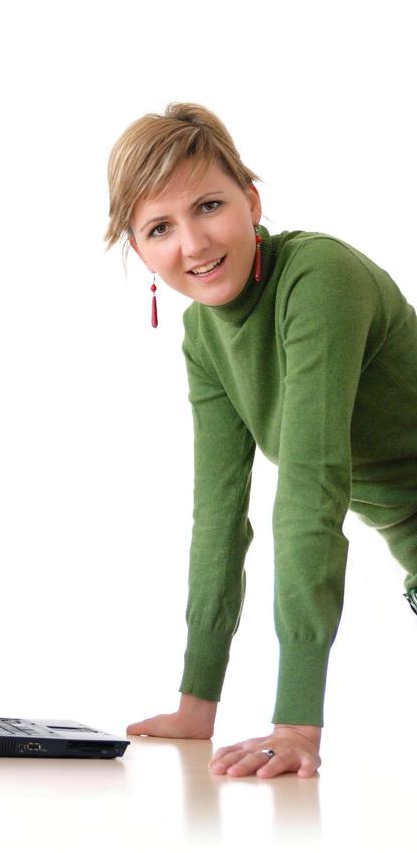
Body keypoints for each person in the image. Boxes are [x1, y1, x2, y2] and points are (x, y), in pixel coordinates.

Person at [105, 103, 417, 779]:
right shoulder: (205, 338)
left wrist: (296, 723)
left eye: (209, 205)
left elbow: (311, 487)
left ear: (251, 202)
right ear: (139, 248)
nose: (192, 244)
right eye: (160, 227)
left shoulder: (318, 279)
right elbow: (219, 517)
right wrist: (198, 701)